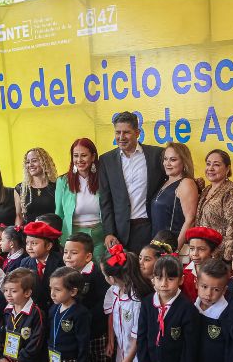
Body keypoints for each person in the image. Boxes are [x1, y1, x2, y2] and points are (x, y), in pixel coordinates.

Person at [63, 233, 116, 362]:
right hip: (78, 334)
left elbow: (103, 305)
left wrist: (84, 320)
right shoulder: (66, 274)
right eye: (66, 252)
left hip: (96, 331)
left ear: (87, 256)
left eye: (73, 253)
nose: (68, 256)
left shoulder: (96, 276)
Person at [99, 111, 166, 254]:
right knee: (124, 275)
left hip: (150, 228)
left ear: (137, 132)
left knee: (148, 273)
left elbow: (172, 180)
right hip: (120, 234)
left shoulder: (157, 155)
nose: (121, 137)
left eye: (126, 132)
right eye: (118, 132)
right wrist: (109, 232)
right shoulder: (106, 160)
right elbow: (105, 200)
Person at [56, 138, 106, 262]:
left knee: (99, 274)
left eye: (84, 155)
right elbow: (59, 214)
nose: (79, 160)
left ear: (93, 157)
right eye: (75, 156)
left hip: (100, 237)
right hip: (73, 238)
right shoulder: (63, 181)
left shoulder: (104, 179)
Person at [195, 149, 233, 261]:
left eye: (216, 165)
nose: (210, 168)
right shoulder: (206, 190)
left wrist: (222, 258)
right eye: (208, 164)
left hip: (219, 259)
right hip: (202, 255)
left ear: (227, 169)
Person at [150, 143, 198, 250]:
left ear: (184, 162)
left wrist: (175, 250)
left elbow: (190, 220)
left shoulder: (186, 183)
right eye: (165, 159)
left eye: (173, 160)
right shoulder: (165, 182)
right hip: (158, 247)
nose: (167, 163)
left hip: (173, 248)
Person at [20, 221, 64, 314]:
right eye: (27, 243)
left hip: (56, 307)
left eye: (34, 243)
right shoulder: (24, 262)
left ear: (48, 246)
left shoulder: (60, 261)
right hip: (35, 311)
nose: (29, 247)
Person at [15, 148, 58, 224]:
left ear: (44, 162)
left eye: (34, 161)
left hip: (52, 233)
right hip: (29, 234)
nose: (30, 165)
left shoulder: (57, 186)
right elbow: (19, 216)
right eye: (28, 162)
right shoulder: (20, 188)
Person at [180, 226, 222, 303]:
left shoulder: (220, 273)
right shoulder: (183, 273)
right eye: (192, 249)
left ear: (213, 251)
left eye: (201, 249)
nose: (195, 254)